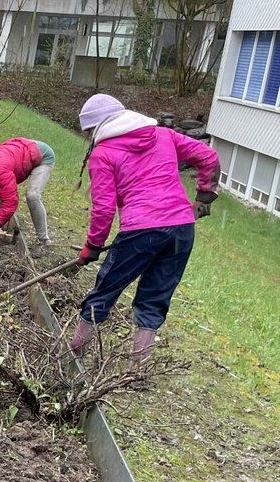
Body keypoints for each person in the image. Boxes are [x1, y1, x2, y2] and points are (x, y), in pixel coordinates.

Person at [69, 93, 220, 363]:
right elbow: (208, 157)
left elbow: (103, 209)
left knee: (105, 291)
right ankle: (136, 370)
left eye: (89, 132)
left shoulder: (103, 154)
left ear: (97, 127)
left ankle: (71, 356)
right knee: (154, 298)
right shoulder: (163, 135)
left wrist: (92, 246)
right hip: (181, 230)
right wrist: (204, 198)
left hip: (140, 231)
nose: (89, 137)